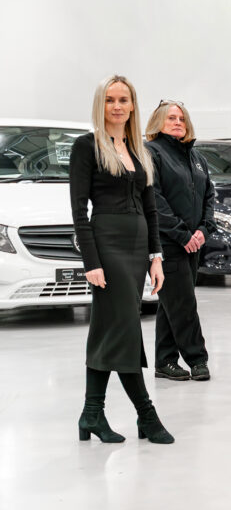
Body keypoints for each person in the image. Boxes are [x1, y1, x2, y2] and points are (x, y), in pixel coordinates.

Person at [70, 75, 173, 444]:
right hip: (108, 244)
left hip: (137, 244)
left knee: (110, 330)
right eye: (111, 99)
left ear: (132, 106)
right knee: (126, 329)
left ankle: (91, 414)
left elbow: (151, 208)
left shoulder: (139, 148)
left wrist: (155, 257)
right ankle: (146, 414)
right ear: (102, 104)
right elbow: (79, 211)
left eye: (124, 100)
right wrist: (91, 262)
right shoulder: (87, 147)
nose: (117, 106)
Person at [145, 100, 216, 382]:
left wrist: (204, 229)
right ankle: (197, 359)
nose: (177, 122)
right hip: (168, 244)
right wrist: (182, 234)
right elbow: (154, 199)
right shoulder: (152, 153)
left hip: (194, 242)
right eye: (171, 118)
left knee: (171, 303)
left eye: (181, 118)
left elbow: (209, 195)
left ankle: (165, 361)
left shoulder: (196, 157)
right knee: (184, 303)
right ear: (158, 122)